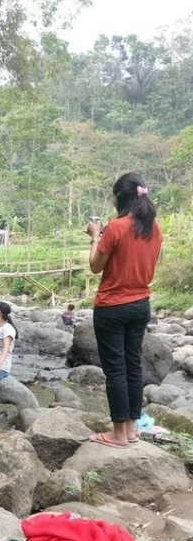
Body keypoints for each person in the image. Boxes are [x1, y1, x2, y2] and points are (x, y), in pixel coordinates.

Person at [86, 173, 163, 448]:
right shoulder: (155, 229)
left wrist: (96, 236)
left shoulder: (116, 228)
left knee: (116, 370)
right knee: (134, 365)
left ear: (120, 198)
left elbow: (96, 266)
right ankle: (130, 428)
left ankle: (118, 433)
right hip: (141, 304)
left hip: (112, 307)